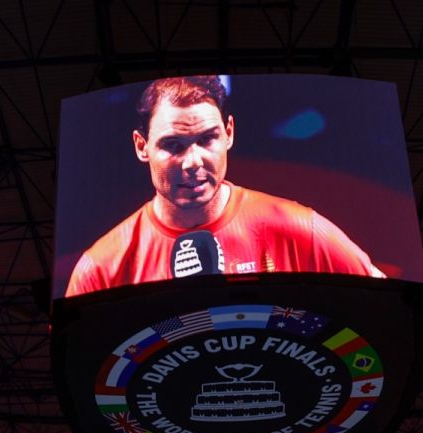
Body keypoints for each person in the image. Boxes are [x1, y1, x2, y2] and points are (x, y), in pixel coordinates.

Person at [65, 76, 384, 295]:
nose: (193, 162)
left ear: (228, 133)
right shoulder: (101, 267)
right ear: (141, 146)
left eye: (207, 139)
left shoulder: (298, 227)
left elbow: (386, 301)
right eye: (173, 145)